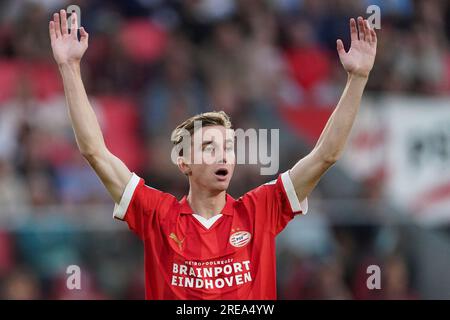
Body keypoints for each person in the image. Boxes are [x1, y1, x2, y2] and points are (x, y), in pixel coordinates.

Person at [49, 9, 377, 299]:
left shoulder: (260, 210)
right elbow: (94, 151)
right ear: (184, 162)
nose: (223, 156)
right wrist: (69, 68)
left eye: (228, 148)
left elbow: (326, 155)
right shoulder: (157, 216)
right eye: (209, 148)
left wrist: (357, 79)